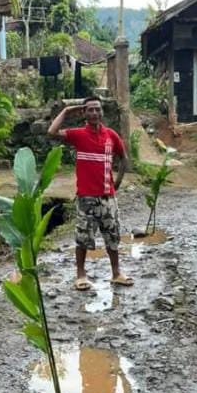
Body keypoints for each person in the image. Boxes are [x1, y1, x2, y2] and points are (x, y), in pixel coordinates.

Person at [48, 96, 133, 291]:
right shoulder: (78, 135)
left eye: (97, 109)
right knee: (83, 238)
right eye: (90, 110)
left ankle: (116, 273)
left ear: (102, 112)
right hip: (86, 198)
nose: (94, 113)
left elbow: (123, 158)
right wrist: (67, 111)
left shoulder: (111, 135)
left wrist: (117, 184)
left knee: (112, 236)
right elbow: (51, 132)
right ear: (84, 114)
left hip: (108, 197)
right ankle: (80, 275)